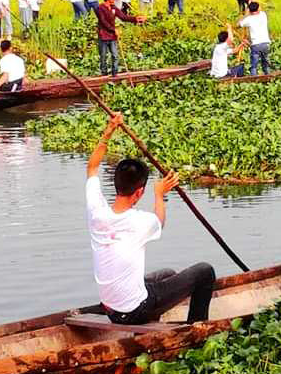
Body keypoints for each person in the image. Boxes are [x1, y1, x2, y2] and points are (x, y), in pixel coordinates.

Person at [86, 113, 215, 324]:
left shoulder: (96, 211)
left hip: (111, 308)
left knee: (167, 274)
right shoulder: (139, 222)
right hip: (135, 310)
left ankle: (151, 318)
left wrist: (109, 131)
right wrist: (159, 194)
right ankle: (197, 328)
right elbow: (160, 222)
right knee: (205, 272)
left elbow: (92, 167)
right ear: (139, 192)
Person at [94, 0, 145, 76]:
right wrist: (114, 29)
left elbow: (123, 17)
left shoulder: (113, 7)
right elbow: (103, 22)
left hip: (112, 36)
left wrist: (136, 19)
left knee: (115, 55)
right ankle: (104, 74)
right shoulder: (100, 8)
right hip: (103, 35)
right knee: (103, 56)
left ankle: (115, 74)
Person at [239, 1, 271, 75]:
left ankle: (254, 80)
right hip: (266, 43)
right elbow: (259, 9)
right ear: (258, 8)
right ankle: (269, 78)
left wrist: (246, 14)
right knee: (265, 64)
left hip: (256, 45)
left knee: (254, 66)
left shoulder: (248, 19)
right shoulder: (263, 15)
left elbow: (238, 24)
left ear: (249, 10)